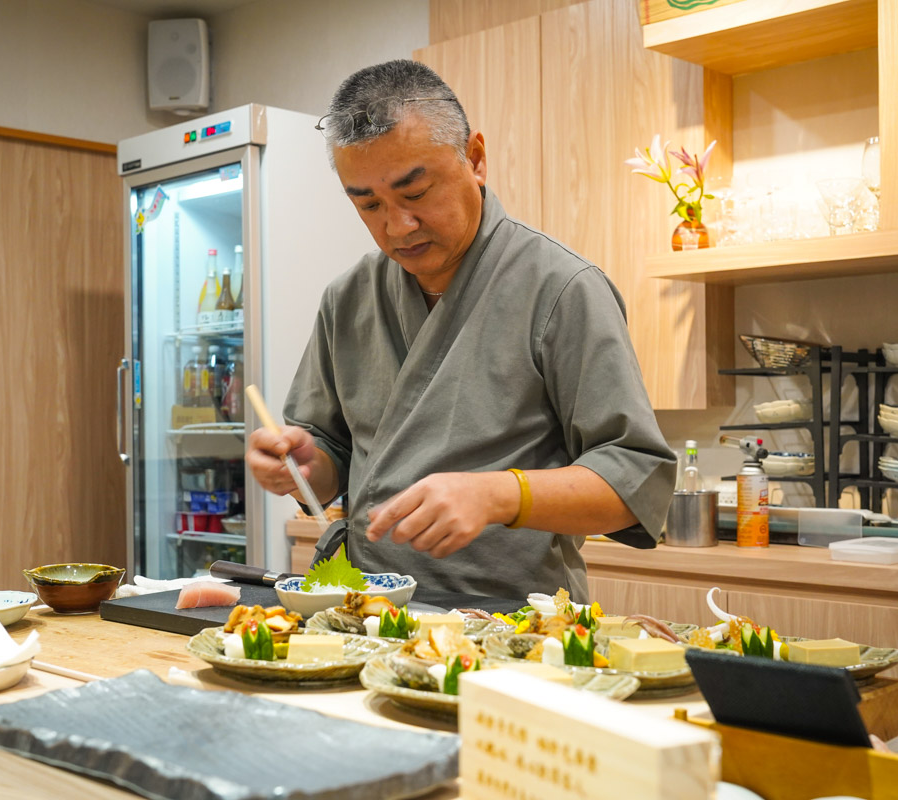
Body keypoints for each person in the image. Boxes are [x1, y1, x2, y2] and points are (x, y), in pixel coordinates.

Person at [246, 59, 675, 602]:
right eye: (369, 204)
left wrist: (501, 495)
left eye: (417, 192)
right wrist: (308, 464)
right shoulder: (347, 297)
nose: (397, 225)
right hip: (364, 610)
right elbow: (330, 458)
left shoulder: (562, 288)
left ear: (475, 159)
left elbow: (636, 476)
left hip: (511, 622)